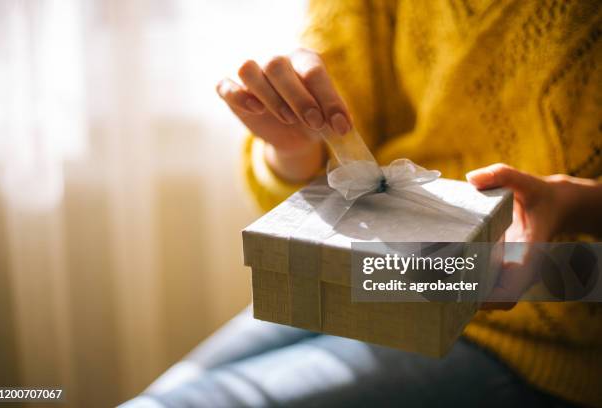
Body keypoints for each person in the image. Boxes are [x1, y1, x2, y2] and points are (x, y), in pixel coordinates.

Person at [123, 1, 601, 406]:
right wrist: (293, 148)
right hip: (364, 274)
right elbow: (323, 182)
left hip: (546, 327)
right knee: (167, 395)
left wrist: (572, 203)